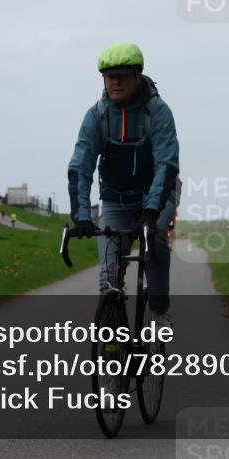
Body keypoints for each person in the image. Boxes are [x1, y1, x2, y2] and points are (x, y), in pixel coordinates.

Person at [68, 42, 180, 327]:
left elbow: (166, 164)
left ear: (138, 76)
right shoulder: (97, 116)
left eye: (121, 75)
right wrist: (81, 215)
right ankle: (113, 342)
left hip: (157, 194)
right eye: (108, 76)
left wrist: (153, 209)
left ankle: (159, 309)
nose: (114, 82)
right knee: (108, 277)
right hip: (116, 200)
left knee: (153, 238)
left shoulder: (158, 112)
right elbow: (80, 167)